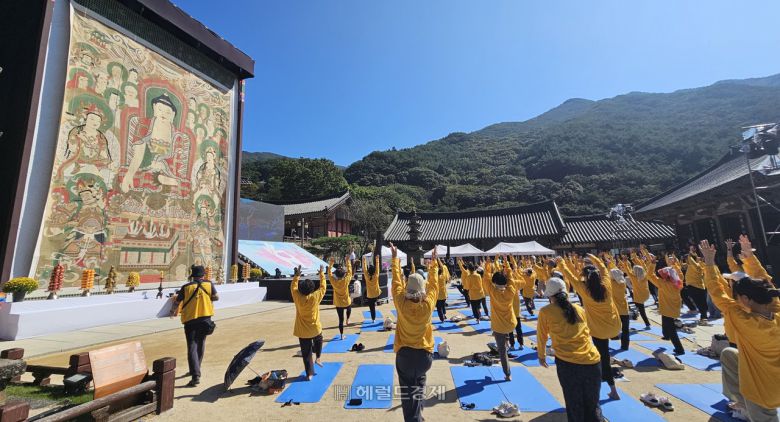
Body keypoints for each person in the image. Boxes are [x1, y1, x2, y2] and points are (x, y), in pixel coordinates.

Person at [699, 239, 779, 422]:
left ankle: (749, 408)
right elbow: (765, 282)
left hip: (763, 392)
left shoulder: (745, 320)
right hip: (774, 377)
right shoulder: (775, 309)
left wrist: (709, 263)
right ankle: (743, 403)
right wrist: (750, 258)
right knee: (729, 354)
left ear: (746, 299)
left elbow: (717, 293)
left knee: (766, 417)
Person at [537, 277, 604, 422]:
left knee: (575, 406)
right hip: (593, 361)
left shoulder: (546, 311)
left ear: (550, 296)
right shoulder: (579, 309)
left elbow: (542, 336)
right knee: (593, 406)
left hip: (568, 364)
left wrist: (541, 356)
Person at [558, 254, 621, 400]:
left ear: (586, 278)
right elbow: (604, 270)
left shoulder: (585, 291)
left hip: (598, 331)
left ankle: (612, 389)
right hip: (614, 327)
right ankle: (610, 384)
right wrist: (595, 259)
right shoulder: (607, 286)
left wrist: (561, 263)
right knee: (604, 355)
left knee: (602, 358)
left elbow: (570, 277)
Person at [390, 243, 439, 422]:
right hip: (425, 357)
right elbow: (434, 286)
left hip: (405, 355)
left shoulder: (401, 303)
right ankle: (418, 416)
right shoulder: (428, 305)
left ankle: (414, 418)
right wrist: (433, 264)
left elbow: (396, 282)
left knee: (407, 392)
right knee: (419, 383)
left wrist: (395, 259)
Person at [170, 265, 218, 387]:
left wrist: (172, 312)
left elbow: (177, 302)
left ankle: (195, 374)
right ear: (203, 275)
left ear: (193, 276)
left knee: (192, 345)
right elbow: (216, 297)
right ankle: (196, 368)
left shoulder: (186, 287)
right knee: (201, 343)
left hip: (190, 319)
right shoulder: (209, 284)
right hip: (205, 318)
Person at [483, 258, 521, 380]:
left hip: (499, 327)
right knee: (507, 334)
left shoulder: (492, 291)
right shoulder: (511, 290)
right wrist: (506, 264)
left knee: (502, 351)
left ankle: (507, 374)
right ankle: (509, 339)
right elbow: (510, 278)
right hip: (511, 324)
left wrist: (487, 265)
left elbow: (486, 278)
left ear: (494, 283)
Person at [643, 250, 686, 355]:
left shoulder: (662, 284)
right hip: (674, 308)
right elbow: (680, 274)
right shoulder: (678, 282)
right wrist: (674, 265)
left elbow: (649, 275)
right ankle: (666, 335)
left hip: (667, 310)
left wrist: (652, 264)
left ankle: (679, 349)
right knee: (667, 324)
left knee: (672, 330)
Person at [291, 265, 327, 380]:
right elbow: (323, 287)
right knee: (319, 339)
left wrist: (297, 276)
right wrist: (321, 274)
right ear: (312, 289)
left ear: (301, 289)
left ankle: (309, 374)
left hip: (302, 331)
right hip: (315, 328)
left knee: (306, 353)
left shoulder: (297, 297)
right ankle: (318, 357)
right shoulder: (315, 297)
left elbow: (293, 287)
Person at [328, 257, 353, 339]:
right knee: (349, 308)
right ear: (343, 274)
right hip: (346, 301)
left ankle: (342, 335)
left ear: (336, 275)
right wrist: (347, 261)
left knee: (340, 320)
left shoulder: (333, 281)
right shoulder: (346, 280)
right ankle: (348, 319)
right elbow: (350, 272)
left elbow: (329, 273)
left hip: (338, 303)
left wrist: (331, 263)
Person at [685, 247, 710, 324]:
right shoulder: (701, 265)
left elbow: (690, 259)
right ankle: (704, 317)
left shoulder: (694, 265)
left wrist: (690, 254)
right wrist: (695, 255)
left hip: (693, 287)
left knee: (699, 303)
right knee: (702, 303)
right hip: (701, 287)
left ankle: (704, 318)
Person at [609, 268, 631, 350]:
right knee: (625, 329)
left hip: (615, 310)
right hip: (624, 309)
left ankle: (614, 336)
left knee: (613, 325)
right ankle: (625, 345)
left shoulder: (610, 284)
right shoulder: (623, 283)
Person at [363, 254, 381, 322]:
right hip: (376, 294)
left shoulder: (367, 277)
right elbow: (378, 268)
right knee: (374, 303)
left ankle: (373, 319)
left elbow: (364, 269)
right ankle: (376, 301)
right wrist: (377, 259)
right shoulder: (376, 275)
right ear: (374, 271)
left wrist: (364, 260)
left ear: (368, 271)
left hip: (370, 295)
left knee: (372, 307)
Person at [435, 257, 450, 322]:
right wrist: (438, 259)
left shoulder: (435, 278)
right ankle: (444, 314)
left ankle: (442, 318)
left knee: (439, 307)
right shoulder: (443, 276)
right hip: (443, 293)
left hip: (438, 295)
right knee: (443, 305)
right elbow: (443, 270)